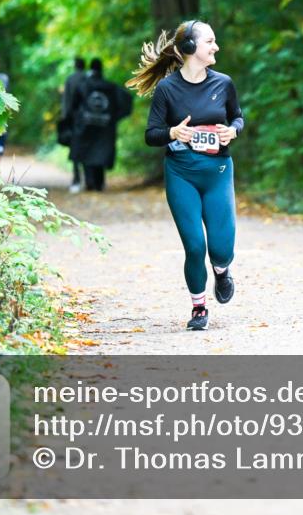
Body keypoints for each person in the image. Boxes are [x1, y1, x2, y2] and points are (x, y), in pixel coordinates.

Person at [128, 21, 244, 331]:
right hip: (181, 174)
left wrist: (232, 131)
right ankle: (199, 308)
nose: (216, 47)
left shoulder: (224, 84)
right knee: (194, 246)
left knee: (221, 250)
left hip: (218, 172)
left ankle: (221, 271)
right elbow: (151, 135)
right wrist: (172, 132)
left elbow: (237, 117)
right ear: (191, 48)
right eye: (210, 41)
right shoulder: (167, 89)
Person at [70, 58, 132, 192]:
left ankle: (90, 183)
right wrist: (114, 117)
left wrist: (80, 119)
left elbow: (73, 106)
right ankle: (99, 183)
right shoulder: (111, 86)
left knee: (87, 153)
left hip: (86, 127)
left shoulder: (83, 86)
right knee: (101, 153)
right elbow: (126, 101)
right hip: (106, 127)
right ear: (101, 69)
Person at [60, 57, 89, 193]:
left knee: (74, 148)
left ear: (75, 66)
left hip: (73, 118)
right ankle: (88, 178)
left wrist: (65, 116)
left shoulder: (70, 79)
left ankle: (77, 178)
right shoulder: (88, 78)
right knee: (87, 147)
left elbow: (66, 99)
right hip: (87, 119)